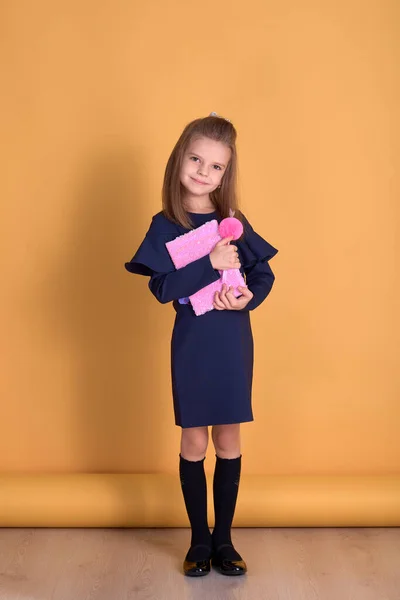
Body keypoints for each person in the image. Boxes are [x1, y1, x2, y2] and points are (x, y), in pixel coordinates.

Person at [125, 113, 278, 577]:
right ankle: (198, 542)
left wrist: (249, 298)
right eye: (196, 159)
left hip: (231, 339)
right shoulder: (165, 224)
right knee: (194, 438)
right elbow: (162, 288)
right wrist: (208, 261)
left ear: (225, 174)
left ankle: (225, 541)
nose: (202, 172)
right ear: (179, 159)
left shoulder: (233, 221)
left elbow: (263, 274)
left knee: (228, 437)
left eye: (215, 166)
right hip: (192, 341)